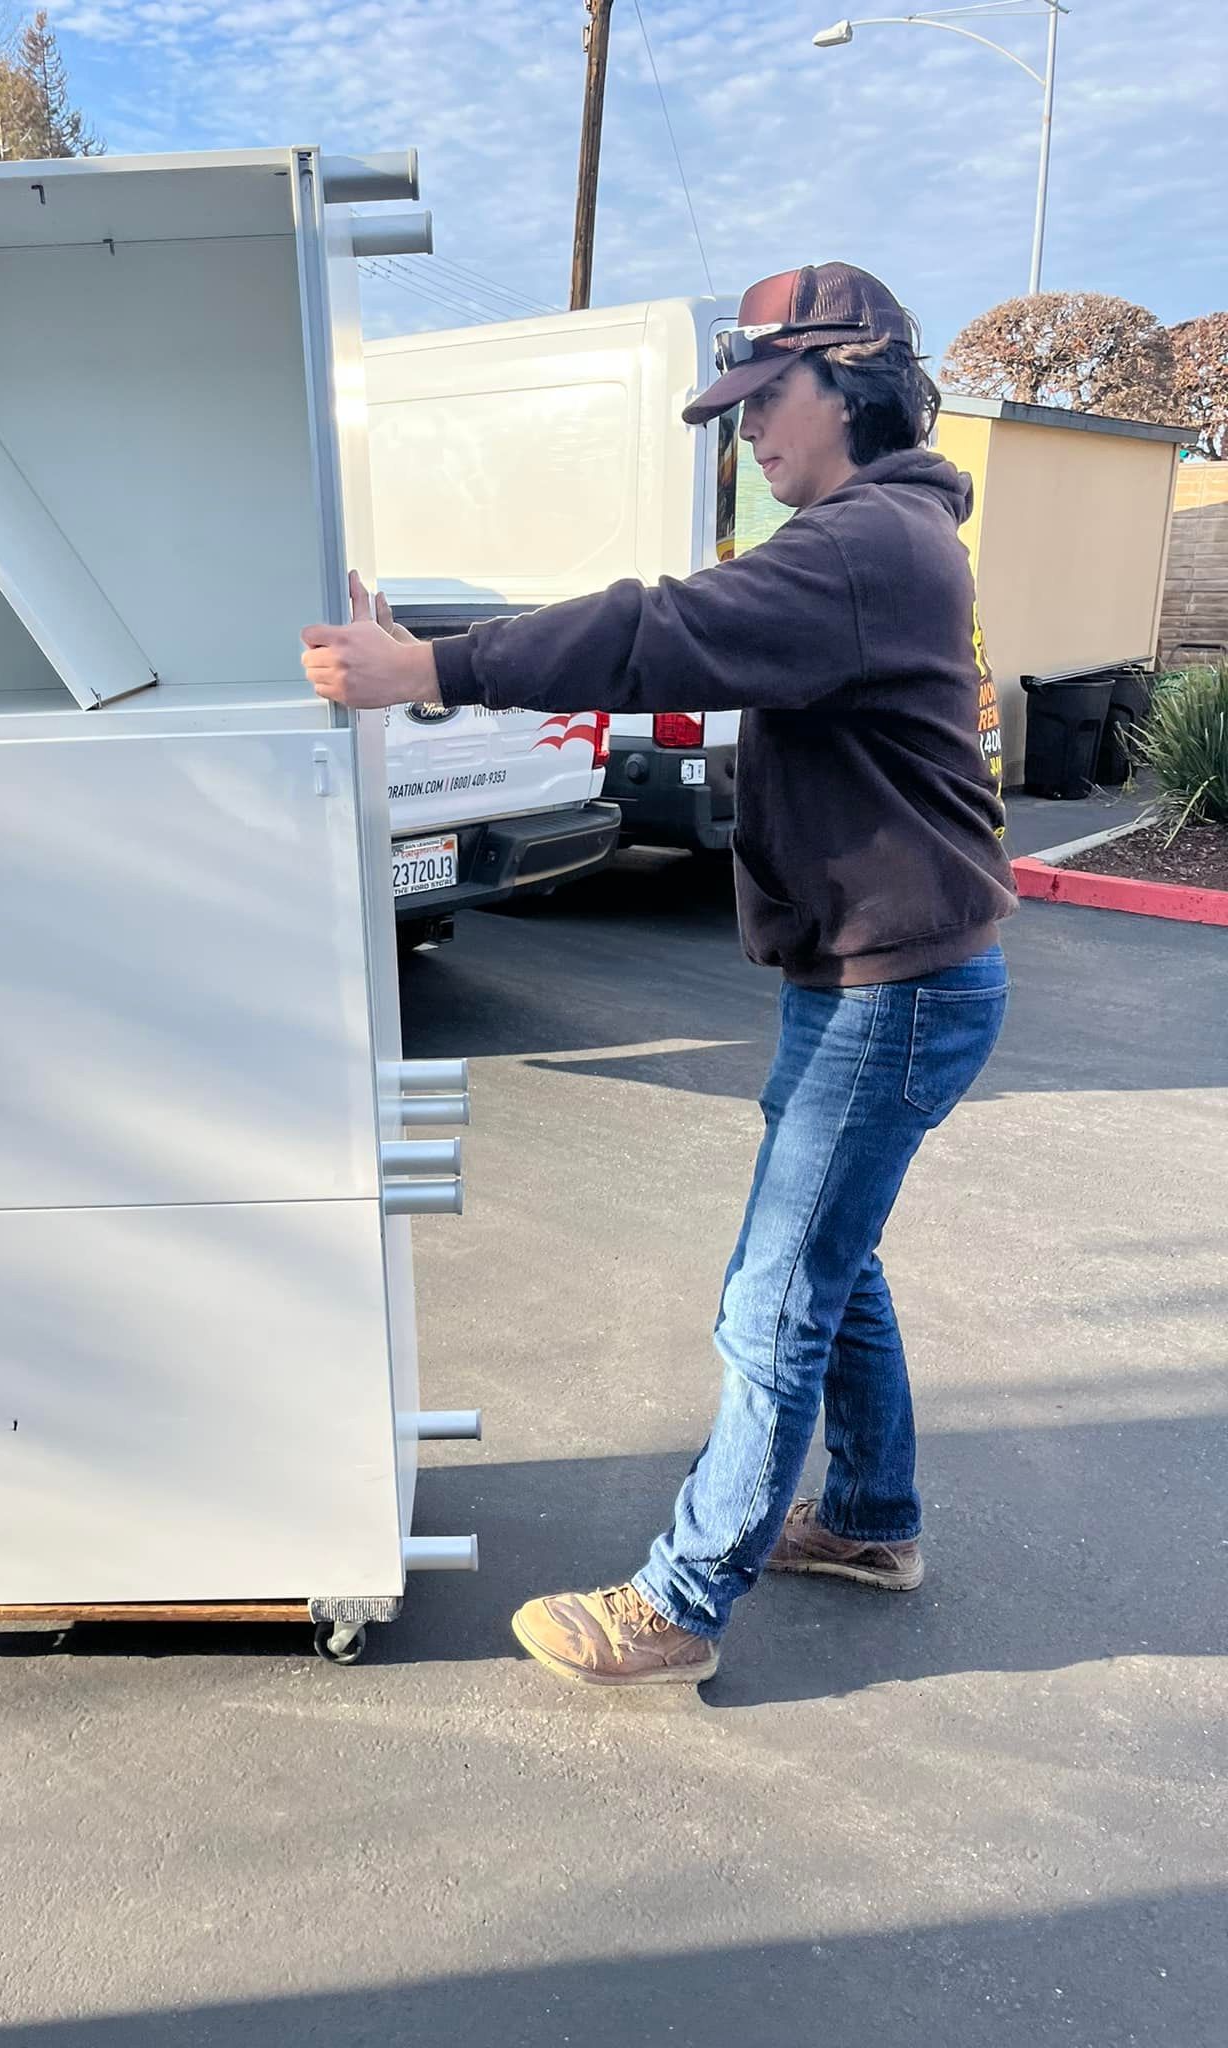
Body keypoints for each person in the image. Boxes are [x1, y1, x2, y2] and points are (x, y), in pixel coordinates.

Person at [302, 263, 1016, 1689]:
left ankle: (684, 1601)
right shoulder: (878, 537)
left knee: (775, 1294)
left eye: (764, 401)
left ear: (849, 383)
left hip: (896, 988)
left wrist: (428, 667)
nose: (744, 434)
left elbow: (655, 628)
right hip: (879, 972)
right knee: (832, 1259)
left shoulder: (866, 545)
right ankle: (872, 1520)